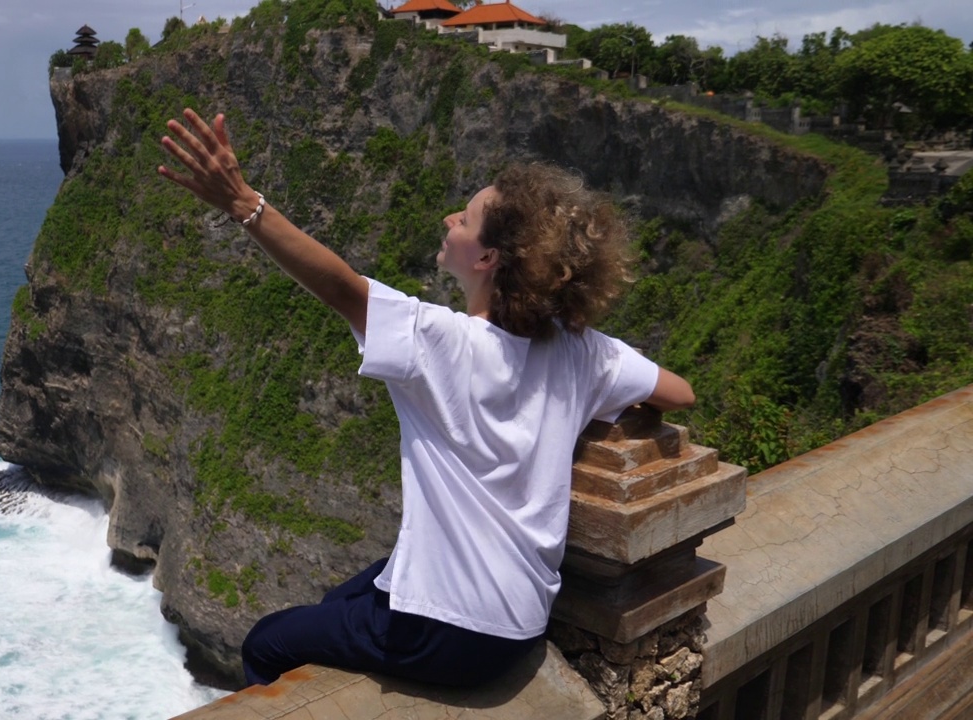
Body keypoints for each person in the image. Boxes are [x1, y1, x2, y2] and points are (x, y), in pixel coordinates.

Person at [158, 109, 695, 688]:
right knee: (346, 595)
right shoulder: (585, 353)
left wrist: (244, 203)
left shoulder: (441, 342)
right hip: (522, 620)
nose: (449, 220)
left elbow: (339, 285)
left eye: (463, 219)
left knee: (268, 643)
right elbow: (679, 394)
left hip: (447, 632)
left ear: (488, 259)